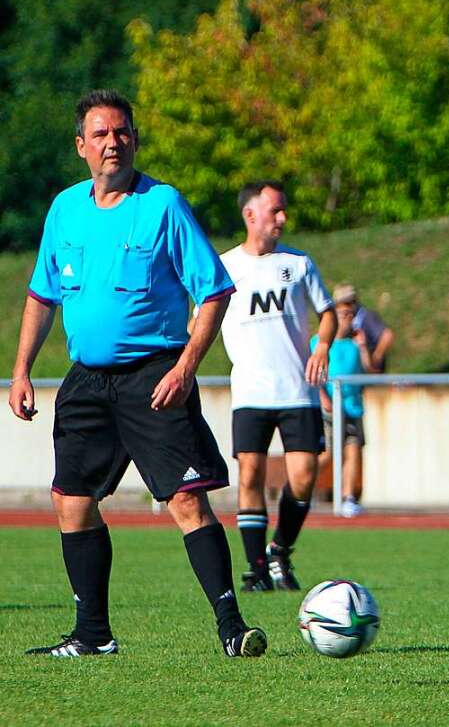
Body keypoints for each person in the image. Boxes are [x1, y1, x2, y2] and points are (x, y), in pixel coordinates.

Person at [8, 89, 266, 657]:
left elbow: (214, 291)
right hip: (87, 380)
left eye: (122, 132)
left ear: (135, 140)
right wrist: (21, 370)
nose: (112, 143)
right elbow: (41, 295)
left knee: (186, 501)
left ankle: (231, 627)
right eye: (100, 134)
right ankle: (92, 636)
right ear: (81, 146)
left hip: (154, 375)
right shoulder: (64, 209)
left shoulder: (163, 205)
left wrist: (185, 367)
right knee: (71, 501)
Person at [216, 180, 337, 592]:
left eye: (284, 210)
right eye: (275, 211)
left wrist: (322, 347)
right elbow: (203, 320)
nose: (283, 218)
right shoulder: (225, 267)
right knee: (249, 472)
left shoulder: (299, 263)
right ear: (251, 215)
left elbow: (328, 312)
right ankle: (254, 569)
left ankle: (279, 551)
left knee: (303, 475)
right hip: (250, 390)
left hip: (297, 389)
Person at [314, 290, 374, 517]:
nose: (348, 318)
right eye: (343, 313)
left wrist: (363, 347)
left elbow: (369, 370)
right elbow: (311, 372)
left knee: (353, 450)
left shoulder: (355, 344)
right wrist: (323, 397)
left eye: (351, 313)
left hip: (352, 406)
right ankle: (301, 488)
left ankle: (348, 497)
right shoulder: (318, 342)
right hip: (330, 408)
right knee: (328, 453)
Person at [332, 284, 394, 372]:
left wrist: (376, 357)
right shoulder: (337, 318)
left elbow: (387, 335)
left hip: (367, 369)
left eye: (347, 303)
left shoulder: (366, 317)